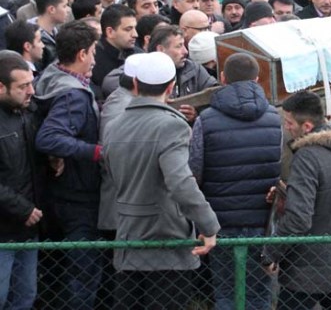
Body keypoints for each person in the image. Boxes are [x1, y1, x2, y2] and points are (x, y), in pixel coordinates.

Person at [102, 51, 220, 308]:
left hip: (128, 238)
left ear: (135, 84)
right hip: (167, 241)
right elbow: (181, 182)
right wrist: (209, 225)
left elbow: (113, 174)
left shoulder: (114, 126)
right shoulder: (172, 126)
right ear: (171, 87)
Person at [190, 52, 282, 310]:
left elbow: (194, 171)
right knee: (259, 293)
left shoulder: (205, 120)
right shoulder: (275, 118)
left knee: (226, 293)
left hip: (220, 222)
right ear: (256, 79)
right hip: (262, 221)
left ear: (222, 78)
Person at [262, 91, 331, 310]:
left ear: (306, 126)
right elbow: (329, 196)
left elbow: (299, 219)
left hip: (306, 269)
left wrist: (270, 253)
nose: (286, 127)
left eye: (289, 122)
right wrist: (287, 192)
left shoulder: (307, 156)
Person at [34, 21, 102, 310]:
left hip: (56, 191)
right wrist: (95, 151)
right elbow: (48, 138)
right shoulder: (73, 94)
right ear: (82, 54)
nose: (95, 59)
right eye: (93, 52)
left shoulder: (50, 76)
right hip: (77, 197)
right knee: (83, 274)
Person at [0, 51, 42, 309]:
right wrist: (22, 209)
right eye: (23, 86)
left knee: (25, 297)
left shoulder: (27, 113)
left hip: (28, 228)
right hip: (5, 230)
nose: (31, 91)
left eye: (31, 84)